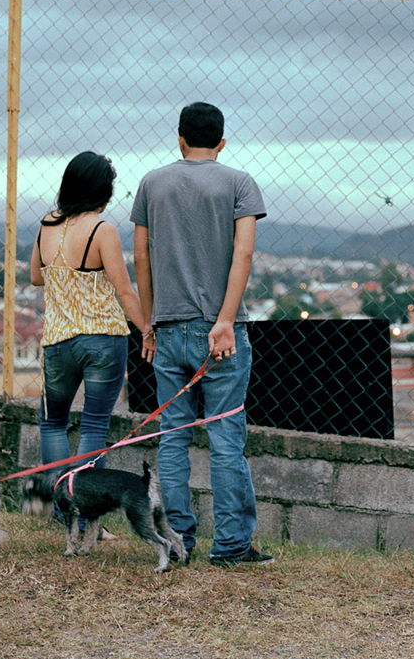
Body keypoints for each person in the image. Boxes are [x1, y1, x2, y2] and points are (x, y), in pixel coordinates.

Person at [131, 101, 270, 566]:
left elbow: (142, 258)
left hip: (168, 330)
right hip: (221, 334)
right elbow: (243, 254)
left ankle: (178, 540)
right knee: (226, 437)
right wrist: (225, 319)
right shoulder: (239, 183)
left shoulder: (152, 183)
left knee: (173, 437)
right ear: (223, 141)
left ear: (180, 138)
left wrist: (149, 323)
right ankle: (230, 546)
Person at [30, 151, 147, 498]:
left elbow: (37, 276)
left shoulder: (47, 224)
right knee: (94, 425)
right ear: (103, 192)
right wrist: (148, 330)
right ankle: (87, 516)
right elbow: (125, 292)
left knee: (53, 424)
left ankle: (63, 509)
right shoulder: (102, 230)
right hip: (102, 337)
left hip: (58, 340)